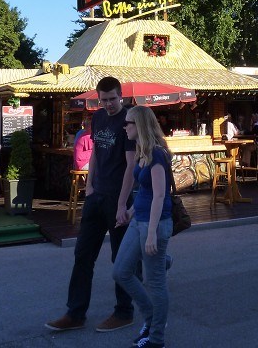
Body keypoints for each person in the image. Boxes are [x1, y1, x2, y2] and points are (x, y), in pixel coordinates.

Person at [46, 76, 136, 333]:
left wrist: (122, 204)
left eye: (113, 99)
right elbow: (95, 152)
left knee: (120, 258)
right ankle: (75, 313)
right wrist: (90, 185)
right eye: (104, 100)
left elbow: (131, 164)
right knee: (83, 254)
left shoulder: (129, 120)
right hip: (97, 196)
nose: (108, 104)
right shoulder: (97, 118)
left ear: (121, 96)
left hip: (118, 197)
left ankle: (124, 311)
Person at [112, 105, 173, 348]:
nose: (124, 127)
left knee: (155, 282)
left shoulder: (157, 154)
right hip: (139, 220)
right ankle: (151, 318)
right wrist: (129, 212)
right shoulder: (142, 152)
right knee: (120, 272)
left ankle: (156, 338)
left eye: (128, 123)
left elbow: (159, 195)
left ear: (140, 125)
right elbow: (145, 192)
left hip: (154, 224)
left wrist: (151, 234)